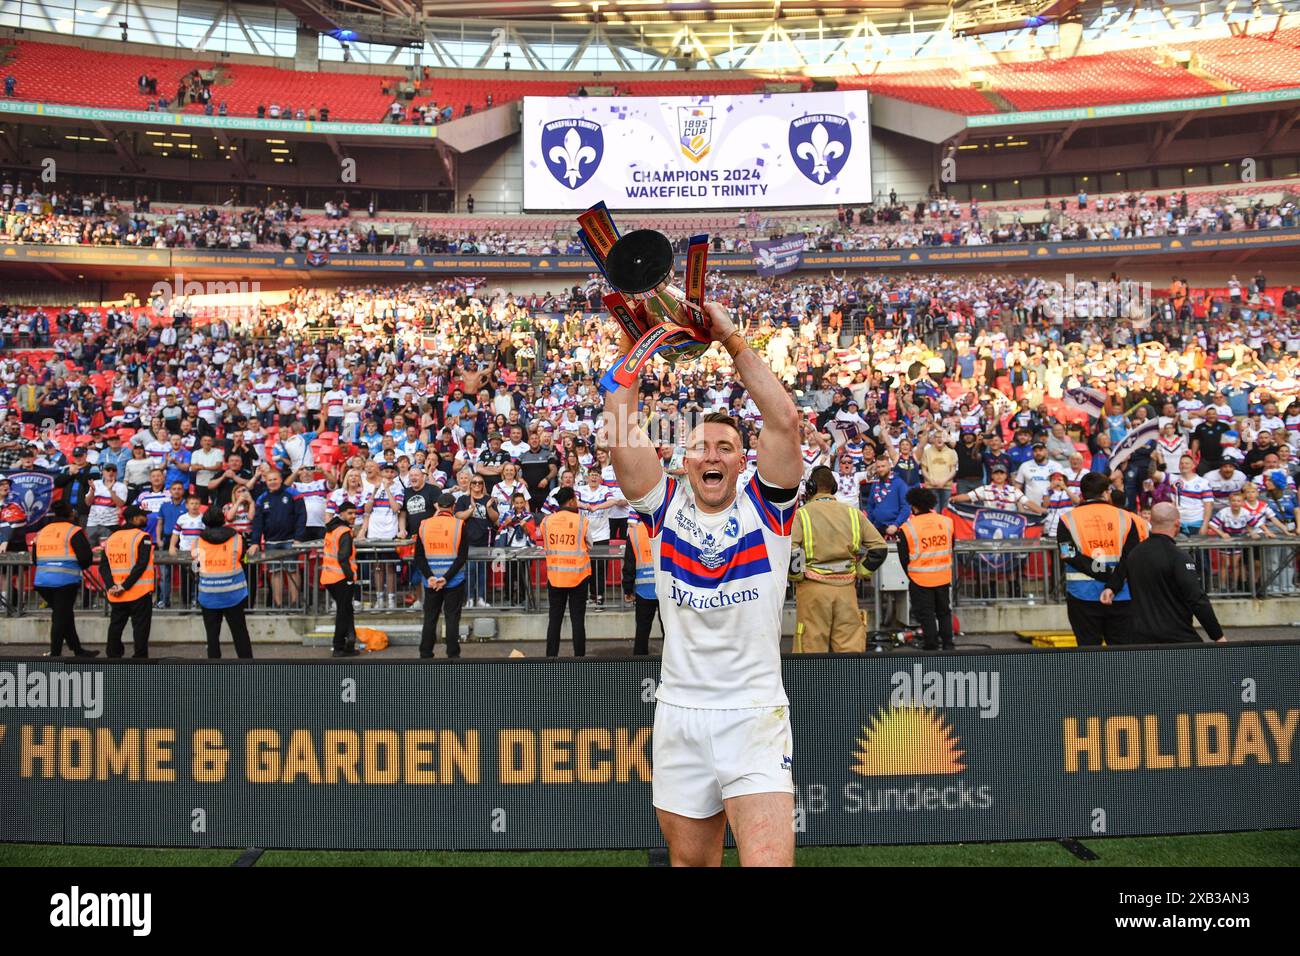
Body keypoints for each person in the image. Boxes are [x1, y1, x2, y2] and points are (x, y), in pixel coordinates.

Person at [606, 300, 802, 868]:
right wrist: (634, 346)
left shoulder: (768, 510)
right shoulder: (663, 508)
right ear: (683, 461)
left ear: (744, 463)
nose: (712, 455)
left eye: (725, 448)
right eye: (700, 447)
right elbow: (621, 430)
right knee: (691, 864)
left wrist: (732, 339)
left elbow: (784, 421)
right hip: (680, 714)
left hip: (753, 715)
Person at [790, 465, 887, 653]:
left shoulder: (801, 515)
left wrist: (797, 577)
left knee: (811, 646)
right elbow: (879, 548)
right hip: (846, 590)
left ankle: (812, 684)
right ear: (834, 488)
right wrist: (860, 572)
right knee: (850, 647)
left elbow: (792, 550)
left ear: (810, 488)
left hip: (813, 590)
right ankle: (847, 682)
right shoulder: (853, 513)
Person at [1100, 502, 1226, 644]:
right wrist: (1217, 635)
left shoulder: (1135, 554)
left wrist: (1111, 587)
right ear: (1177, 524)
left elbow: (1121, 570)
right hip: (1177, 636)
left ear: (1151, 522)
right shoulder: (1178, 557)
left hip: (1141, 638)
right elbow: (1197, 599)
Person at [1056, 472, 1147, 646]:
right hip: (1121, 594)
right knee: (1123, 651)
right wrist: (1112, 582)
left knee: (1089, 650)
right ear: (1106, 492)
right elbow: (1131, 556)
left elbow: (1068, 553)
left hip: (1082, 595)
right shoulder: (1126, 518)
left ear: (1082, 494)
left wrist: (1103, 573)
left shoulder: (1067, 519)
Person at [32, 501, 98, 658]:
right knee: (61, 618)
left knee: (64, 614)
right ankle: (55, 653)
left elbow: (35, 558)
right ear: (71, 514)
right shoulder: (73, 530)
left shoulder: (42, 531)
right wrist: (78, 567)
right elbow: (85, 557)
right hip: (65, 581)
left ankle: (78, 650)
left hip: (42, 581)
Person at [896, 487, 955, 651]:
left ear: (913, 506)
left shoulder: (907, 528)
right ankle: (949, 644)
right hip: (943, 576)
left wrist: (912, 574)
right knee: (944, 612)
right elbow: (952, 547)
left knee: (926, 614)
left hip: (919, 579)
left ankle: (931, 645)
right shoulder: (947, 522)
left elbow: (903, 558)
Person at [192, 507, 253, 659]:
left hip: (209, 595)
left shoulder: (197, 542)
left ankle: (214, 671)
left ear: (205, 521)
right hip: (234, 594)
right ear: (223, 519)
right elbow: (243, 559)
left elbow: (196, 566)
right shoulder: (237, 538)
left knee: (212, 637)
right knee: (240, 633)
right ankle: (248, 667)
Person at [415, 493, 469, 659]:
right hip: (453, 580)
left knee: (430, 618)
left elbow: (419, 556)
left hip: (431, 581)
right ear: (453, 507)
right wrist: (446, 578)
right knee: (452, 618)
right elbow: (462, 557)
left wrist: (430, 576)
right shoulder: (460, 525)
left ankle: (425, 653)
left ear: (437, 506)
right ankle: (452, 654)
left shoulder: (424, 524)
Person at [539, 487, 590, 657]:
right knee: (577, 621)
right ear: (571, 501)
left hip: (555, 578)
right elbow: (589, 544)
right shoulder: (581, 521)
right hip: (578, 577)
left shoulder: (546, 521)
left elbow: (546, 545)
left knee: (554, 620)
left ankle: (550, 658)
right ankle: (579, 659)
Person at [101, 506, 155, 659]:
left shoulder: (111, 538)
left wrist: (111, 585)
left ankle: (112, 655)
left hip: (116, 593)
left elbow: (104, 566)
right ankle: (140, 658)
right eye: (143, 516)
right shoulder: (142, 536)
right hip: (139, 592)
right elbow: (141, 564)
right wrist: (124, 586)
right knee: (140, 628)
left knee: (116, 625)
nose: (146, 519)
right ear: (135, 518)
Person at [320, 500, 360, 657]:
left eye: (355, 513)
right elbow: (343, 557)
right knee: (344, 613)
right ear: (342, 514)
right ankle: (338, 646)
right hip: (341, 577)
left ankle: (349, 643)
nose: (353, 516)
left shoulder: (332, 529)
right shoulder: (344, 531)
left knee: (346, 610)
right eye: (350, 513)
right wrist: (350, 577)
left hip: (329, 577)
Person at [621, 512, 660, 655]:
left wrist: (628, 589)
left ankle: (639, 665)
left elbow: (629, 565)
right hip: (666, 589)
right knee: (669, 632)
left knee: (642, 631)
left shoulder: (634, 533)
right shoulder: (668, 528)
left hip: (644, 590)